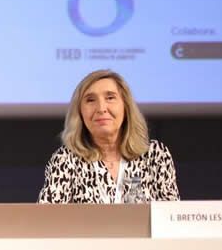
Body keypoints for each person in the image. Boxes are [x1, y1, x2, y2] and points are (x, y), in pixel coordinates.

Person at [39, 69, 179, 203]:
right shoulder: (65, 159)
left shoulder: (155, 155)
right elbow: (47, 216)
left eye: (110, 98)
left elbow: (171, 215)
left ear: (125, 106)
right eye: (90, 100)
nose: (101, 108)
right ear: (80, 112)